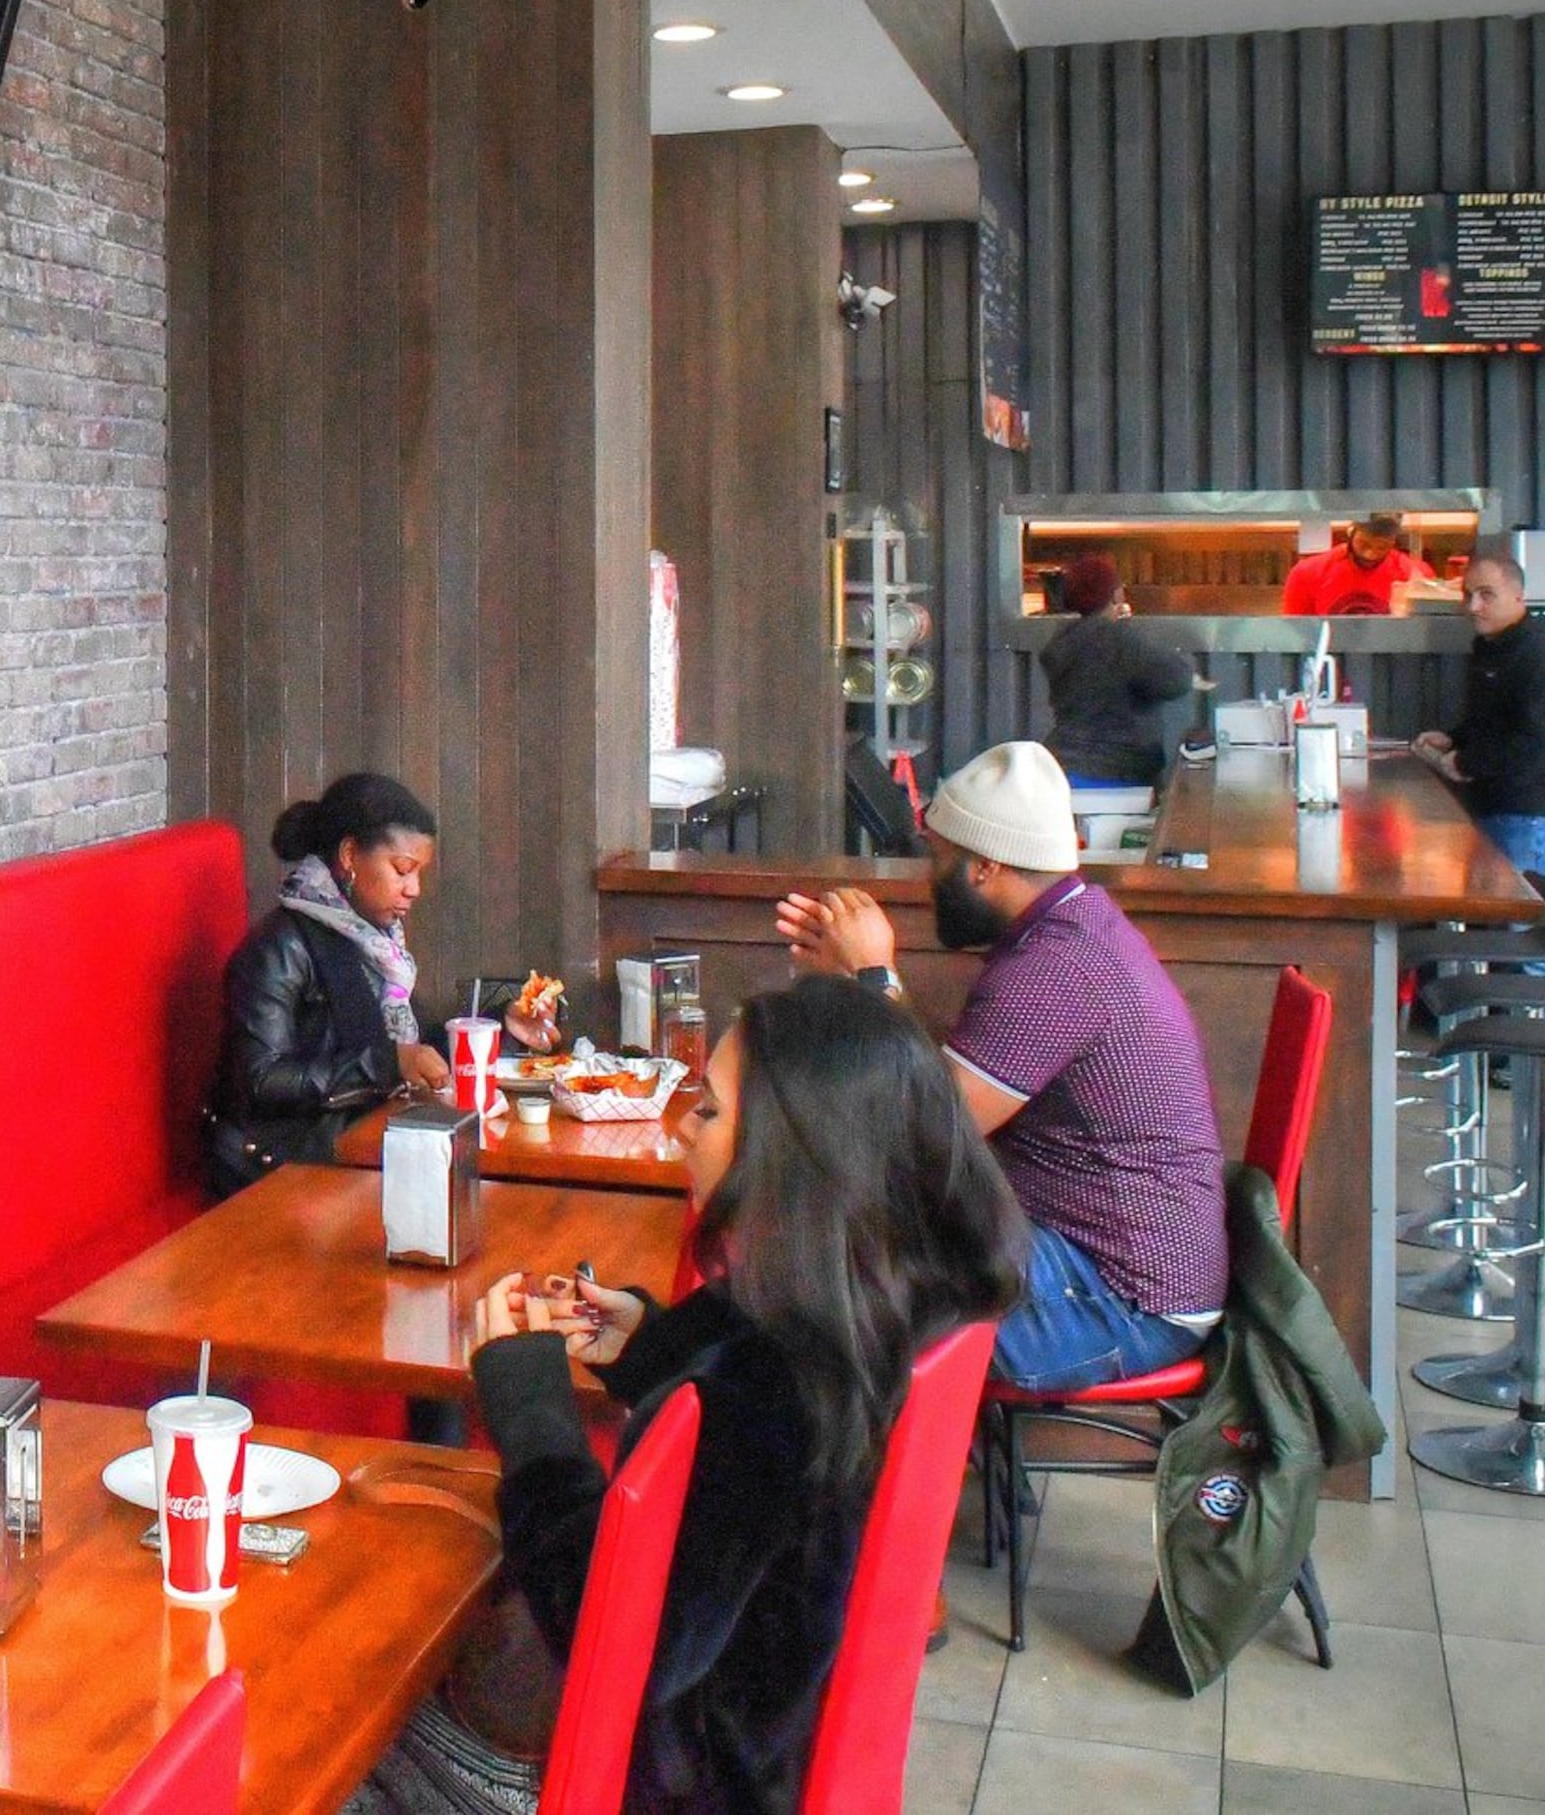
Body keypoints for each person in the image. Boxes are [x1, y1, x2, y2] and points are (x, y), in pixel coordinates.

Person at [351, 978, 1024, 1815]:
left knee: (345, 1721)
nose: (681, 1127)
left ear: (794, 1155)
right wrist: (646, 1342)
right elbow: (739, 1408)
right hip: (768, 1739)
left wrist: (528, 1407)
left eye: (707, 1112)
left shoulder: (778, 1394)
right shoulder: (883, 1302)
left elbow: (618, 1633)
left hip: (677, 1778)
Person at [773, 741, 1228, 1396]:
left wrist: (872, 975)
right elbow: (940, 1089)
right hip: (1103, 1261)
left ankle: (871, 1493)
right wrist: (860, 980)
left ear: (983, 866)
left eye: (940, 859)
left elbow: (927, 1129)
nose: (931, 879)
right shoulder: (1071, 929)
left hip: (1122, 1297)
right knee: (843, 1259)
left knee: (835, 1299)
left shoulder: (1055, 969)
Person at [204, 772, 561, 1193]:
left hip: (353, 1150)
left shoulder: (371, 939)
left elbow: (403, 1045)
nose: (414, 890)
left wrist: (499, 1025)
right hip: (277, 1171)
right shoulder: (278, 948)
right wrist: (390, 1065)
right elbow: (261, 1080)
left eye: (418, 874)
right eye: (402, 870)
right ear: (350, 855)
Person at [1413, 551, 1545, 896]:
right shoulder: (1492, 649)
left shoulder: (1542, 655)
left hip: (1533, 817)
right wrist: (1453, 740)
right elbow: (1494, 722)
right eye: (1468, 595)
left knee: (1530, 936)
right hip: (1499, 811)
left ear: (1519, 595)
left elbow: (1539, 740)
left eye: (1487, 594)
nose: (1473, 606)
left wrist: (1466, 762)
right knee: (1505, 932)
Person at [1036, 554, 1203, 789]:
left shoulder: (1062, 641)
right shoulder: (1118, 639)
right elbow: (1177, 679)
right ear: (1116, 594)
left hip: (1061, 767)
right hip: (1117, 771)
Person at [1277, 510, 1436, 618]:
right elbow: (1296, 637)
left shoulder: (1415, 575)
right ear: (1351, 533)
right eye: (1364, 544)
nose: (1371, 553)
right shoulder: (1307, 573)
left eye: (1382, 547)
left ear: (1394, 542)